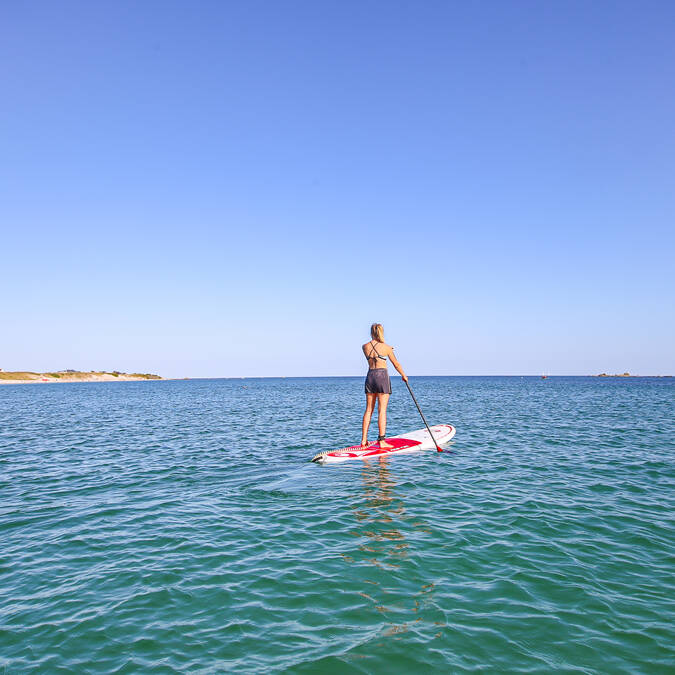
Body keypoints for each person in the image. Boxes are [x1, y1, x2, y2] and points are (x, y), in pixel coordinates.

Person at [361, 323, 408, 448]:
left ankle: (364, 440)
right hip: (382, 377)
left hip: (370, 376)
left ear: (371, 332)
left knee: (368, 410)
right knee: (382, 410)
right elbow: (396, 364)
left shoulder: (364, 347)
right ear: (381, 332)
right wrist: (403, 375)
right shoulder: (387, 348)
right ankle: (382, 441)